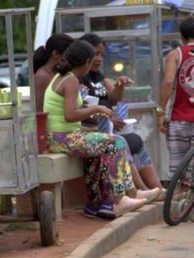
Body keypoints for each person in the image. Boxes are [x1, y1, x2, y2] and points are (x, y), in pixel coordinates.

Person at [44, 39, 154, 219]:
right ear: (87, 62)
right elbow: (70, 115)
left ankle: (96, 204)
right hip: (63, 137)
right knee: (117, 142)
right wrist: (96, 108)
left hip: (61, 135)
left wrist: (92, 130)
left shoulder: (61, 77)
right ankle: (123, 196)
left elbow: (67, 120)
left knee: (102, 145)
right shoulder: (70, 80)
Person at [79, 33, 164, 200]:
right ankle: (141, 190)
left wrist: (120, 85)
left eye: (102, 55)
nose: (99, 59)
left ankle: (157, 189)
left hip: (109, 125)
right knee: (122, 142)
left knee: (136, 140)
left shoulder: (99, 77)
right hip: (93, 127)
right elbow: (78, 111)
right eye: (96, 54)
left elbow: (114, 98)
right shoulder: (79, 79)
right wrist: (106, 120)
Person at [158, 16, 194, 178]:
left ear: (182, 36)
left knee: (178, 167)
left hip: (178, 119)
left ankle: (180, 199)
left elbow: (168, 82)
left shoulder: (175, 54)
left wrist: (160, 112)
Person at [32, 33, 74, 112]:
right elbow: (39, 109)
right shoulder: (42, 76)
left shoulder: (59, 73)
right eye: (68, 54)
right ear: (55, 54)